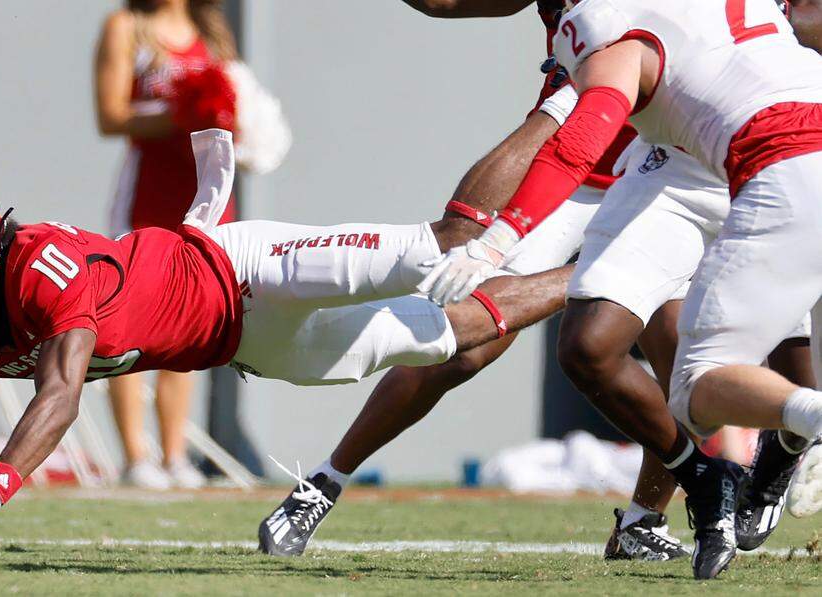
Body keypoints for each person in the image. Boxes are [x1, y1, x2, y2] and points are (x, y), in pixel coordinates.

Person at [256, 0, 821, 562]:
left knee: (686, 362)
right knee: (463, 341)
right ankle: (326, 481)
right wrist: (500, 230)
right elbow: (458, 15)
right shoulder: (600, 36)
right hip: (594, 159)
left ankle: (658, 512)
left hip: (684, 164)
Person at [0, 130, 570, 523]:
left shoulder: (39, 262)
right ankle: (593, 271)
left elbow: (61, 388)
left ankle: (553, 110)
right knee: (439, 336)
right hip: (246, 344)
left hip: (242, 266)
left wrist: (0, 481)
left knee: (433, 249)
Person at [428, 0, 822, 579]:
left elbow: (579, 139)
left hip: (769, 154)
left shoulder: (607, 19)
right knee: (589, 344)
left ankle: (798, 429)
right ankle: (756, 455)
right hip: (684, 156)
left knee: (697, 383)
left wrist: (500, 236)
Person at [94, 0, 239, 490]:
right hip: (146, 194)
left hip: (202, 193)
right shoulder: (126, 27)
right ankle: (137, 456)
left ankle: (175, 454)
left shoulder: (211, 29)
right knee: (125, 320)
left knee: (190, 322)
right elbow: (110, 116)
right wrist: (180, 113)